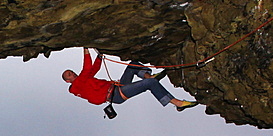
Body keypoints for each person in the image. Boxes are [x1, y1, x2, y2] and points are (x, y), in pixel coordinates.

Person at [61, 48, 197, 113]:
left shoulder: (83, 80)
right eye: (69, 75)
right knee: (150, 85)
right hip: (115, 94)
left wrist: (100, 56)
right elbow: (87, 69)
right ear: (68, 81)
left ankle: (149, 76)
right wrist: (86, 49)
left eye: (71, 72)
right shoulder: (76, 86)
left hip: (117, 86)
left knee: (133, 64)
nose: (72, 73)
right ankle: (177, 103)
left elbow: (93, 69)